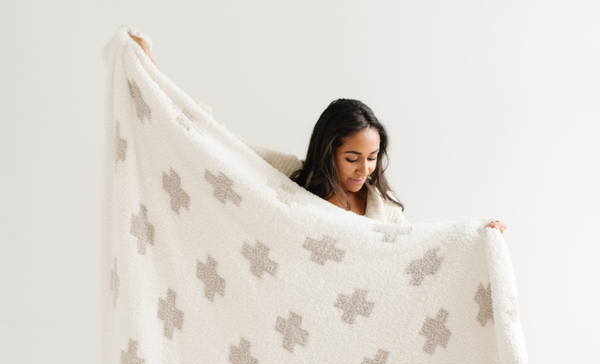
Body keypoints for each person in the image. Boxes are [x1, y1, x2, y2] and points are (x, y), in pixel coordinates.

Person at [127, 34, 506, 234]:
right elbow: (220, 141)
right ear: (329, 152)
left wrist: (474, 235)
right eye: (352, 158)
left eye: (372, 158)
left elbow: (424, 250)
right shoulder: (292, 175)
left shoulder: (384, 213)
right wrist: (154, 79)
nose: (364, 170)